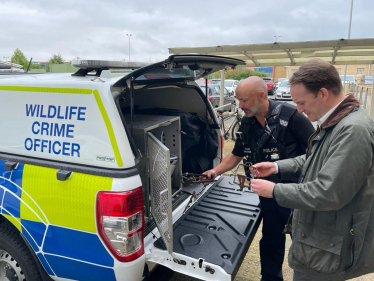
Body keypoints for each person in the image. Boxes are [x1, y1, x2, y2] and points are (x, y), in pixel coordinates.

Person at [251, 59, 374, 281]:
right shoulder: (336, 123)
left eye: (301, 102)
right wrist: (277, 166)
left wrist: (274, 191)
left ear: (323, 94)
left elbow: (329, 192)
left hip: (329, 246)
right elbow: (313, 159)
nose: (299, 109)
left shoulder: (352, 130)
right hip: (321, 240)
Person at [204, 76, 315, 281]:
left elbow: (316, 153)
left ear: (261, 96)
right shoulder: (246, 123)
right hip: (268, 193)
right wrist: (215, 171)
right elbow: (236, 154)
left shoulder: (292, 117)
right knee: (271, 239)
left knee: (304, 241)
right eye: (238, 100)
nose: (240, 105)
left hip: (296, 192)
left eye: (244, 100)